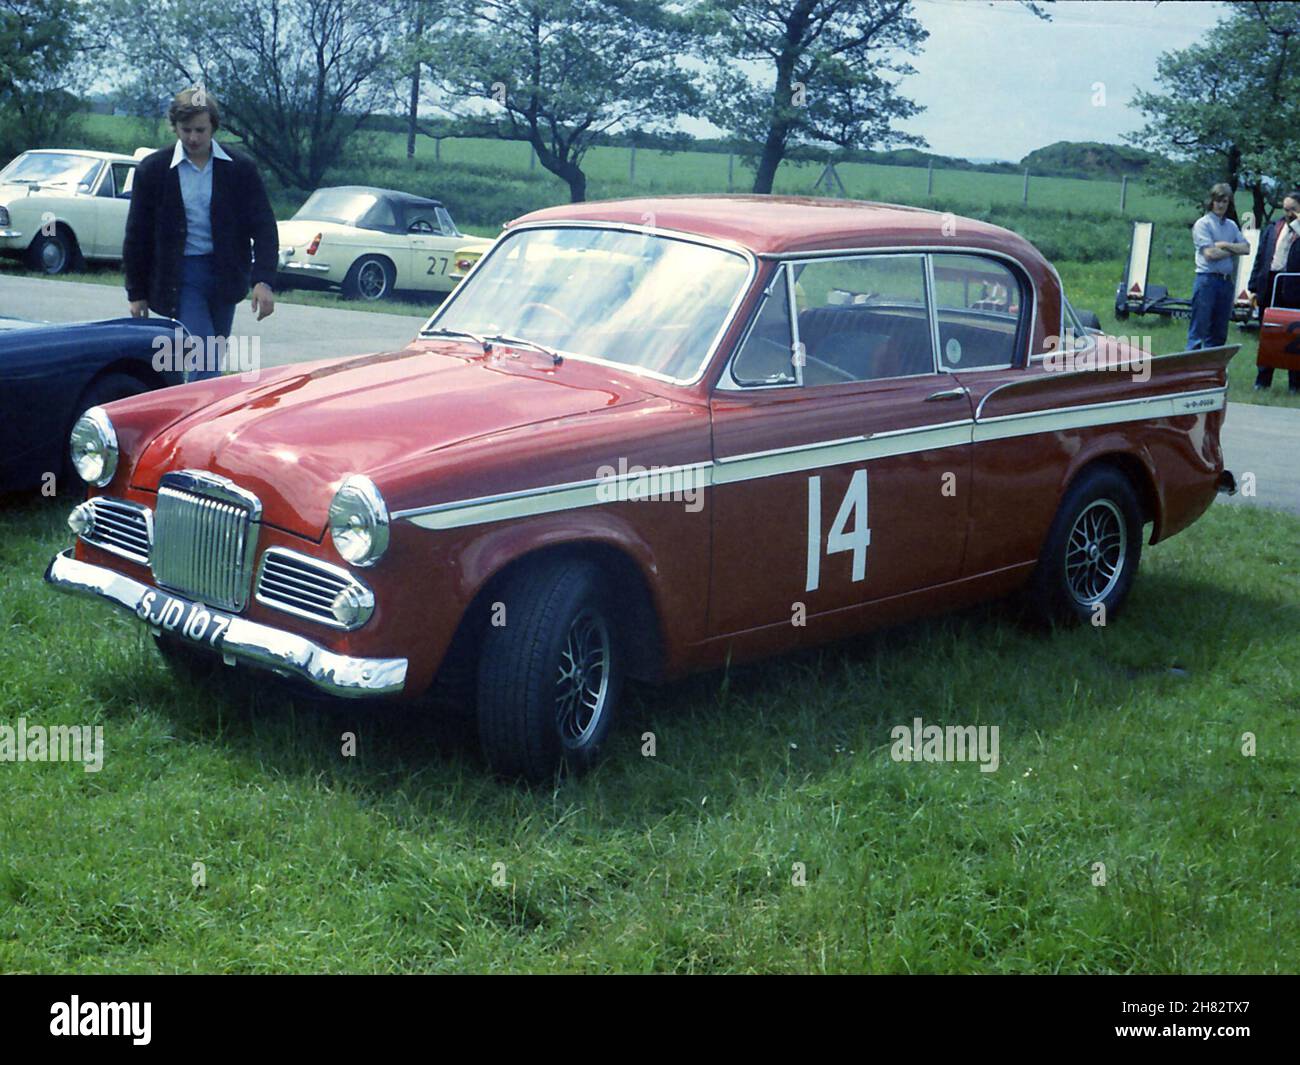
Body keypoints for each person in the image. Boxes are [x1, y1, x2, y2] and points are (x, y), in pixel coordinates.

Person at [123, 87, 277, 382]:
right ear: (175, 127)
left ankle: (191, 409)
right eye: (186, 130)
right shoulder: (153, 170)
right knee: (205, 355)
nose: (193, 138)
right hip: (181, 276)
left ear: (213, 128)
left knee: (211, 356)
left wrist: (263, 280)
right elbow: (137, 235)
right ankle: (199, 421)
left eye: (200, 130)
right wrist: (136, 292)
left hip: (225, 272)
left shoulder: (240, 169)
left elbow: (264, 226)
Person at [1247, 189, 1300, 392]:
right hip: (1270, 285)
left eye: (1293, 210)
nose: (1288, 214)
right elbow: (1261, 258)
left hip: (1294, 288)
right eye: (1285, 209)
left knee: (1294, 335)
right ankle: (1263, 380)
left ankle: (1295, 383)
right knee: (1268, 333)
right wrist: (1253, 287)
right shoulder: (1274, 227)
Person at [1187, 182, 1250, 351]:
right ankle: (1191, 369)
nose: (1221, 205)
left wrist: (1223, 245)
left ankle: (1212, 370)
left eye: (1225, 201)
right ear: (1212, 201)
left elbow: (1247, 248)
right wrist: (1232, 249)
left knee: (1219, 332)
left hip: (1226, 282)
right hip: (1207, 280)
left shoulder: (1231, 225)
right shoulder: (1203, 224)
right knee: (1199, 329)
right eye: (1218, 201)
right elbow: (1210, 255)